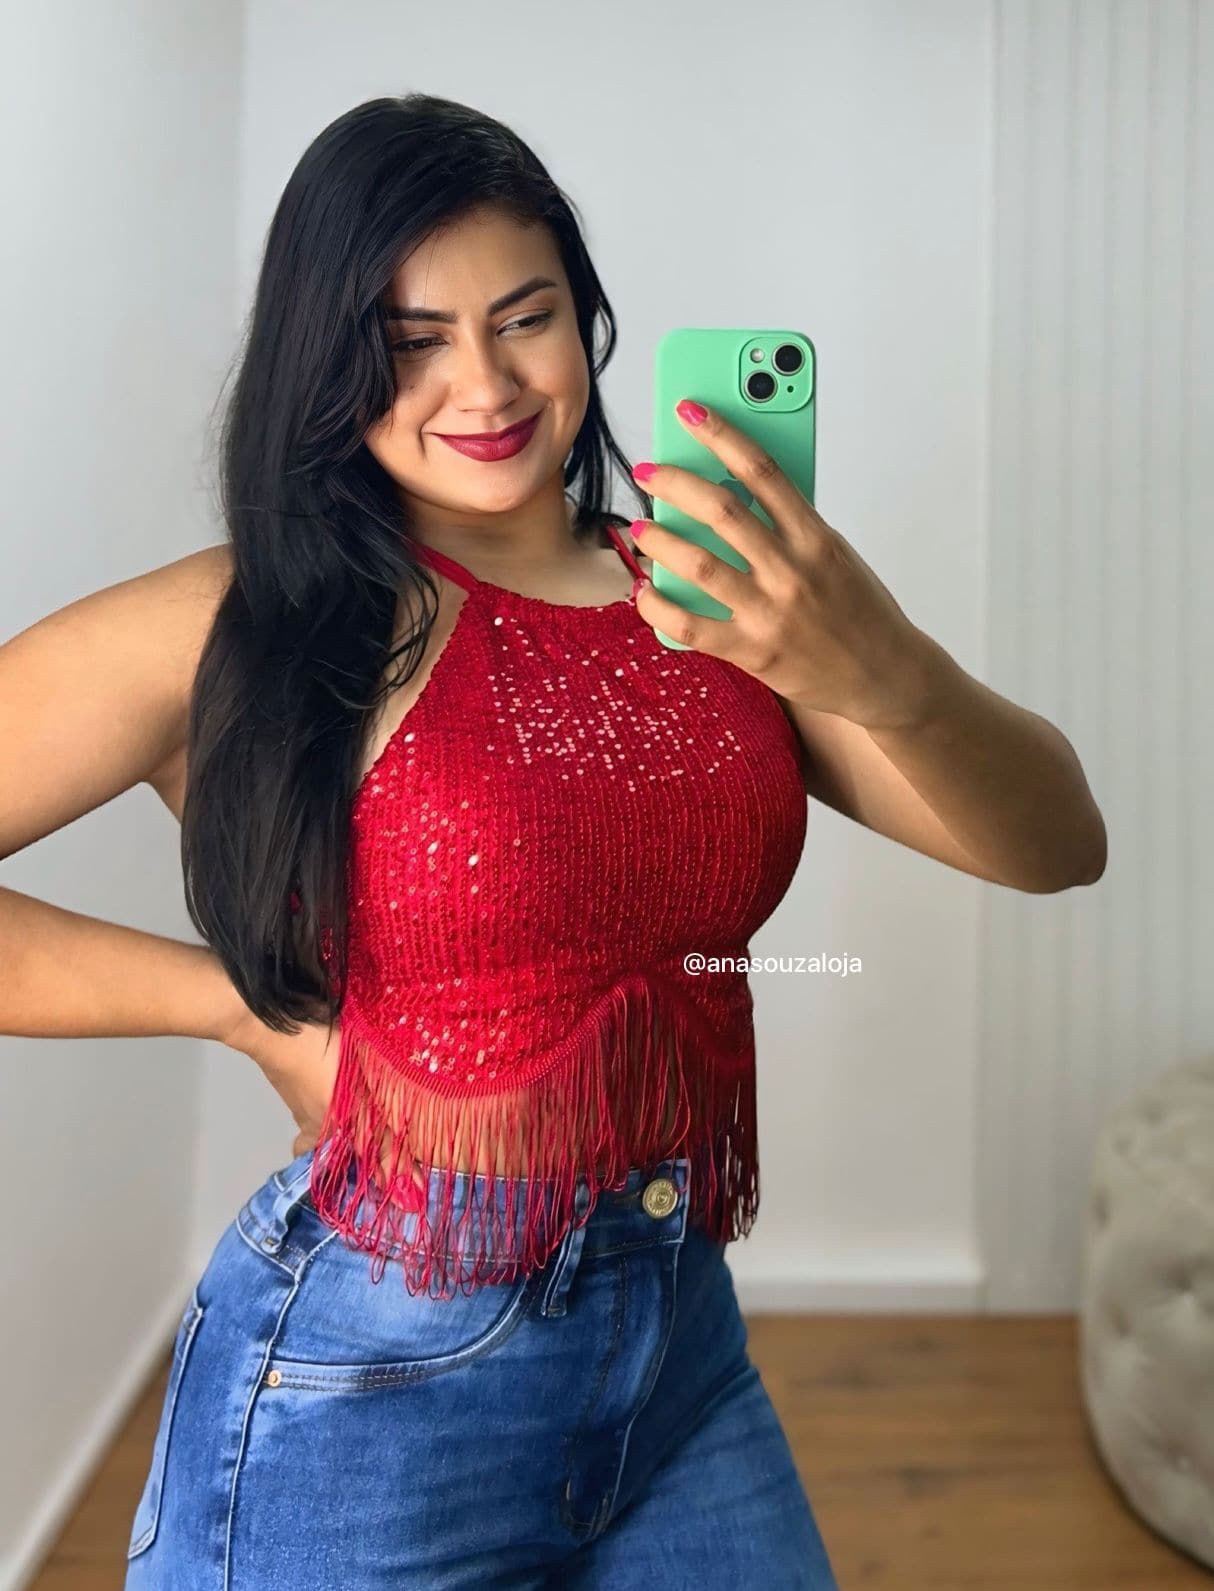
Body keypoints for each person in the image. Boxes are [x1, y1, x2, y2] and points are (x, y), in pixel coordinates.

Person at [0, 92, 1105, 1589]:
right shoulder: (242, 621)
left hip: (675, 1355)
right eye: (411, 343)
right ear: (324, 363)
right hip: (371, 1385)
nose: (484, 384)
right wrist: (241, 1009)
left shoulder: (718, 600)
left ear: (585, 320)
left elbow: (1057, 844)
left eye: (524, 318)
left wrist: (885, 668)